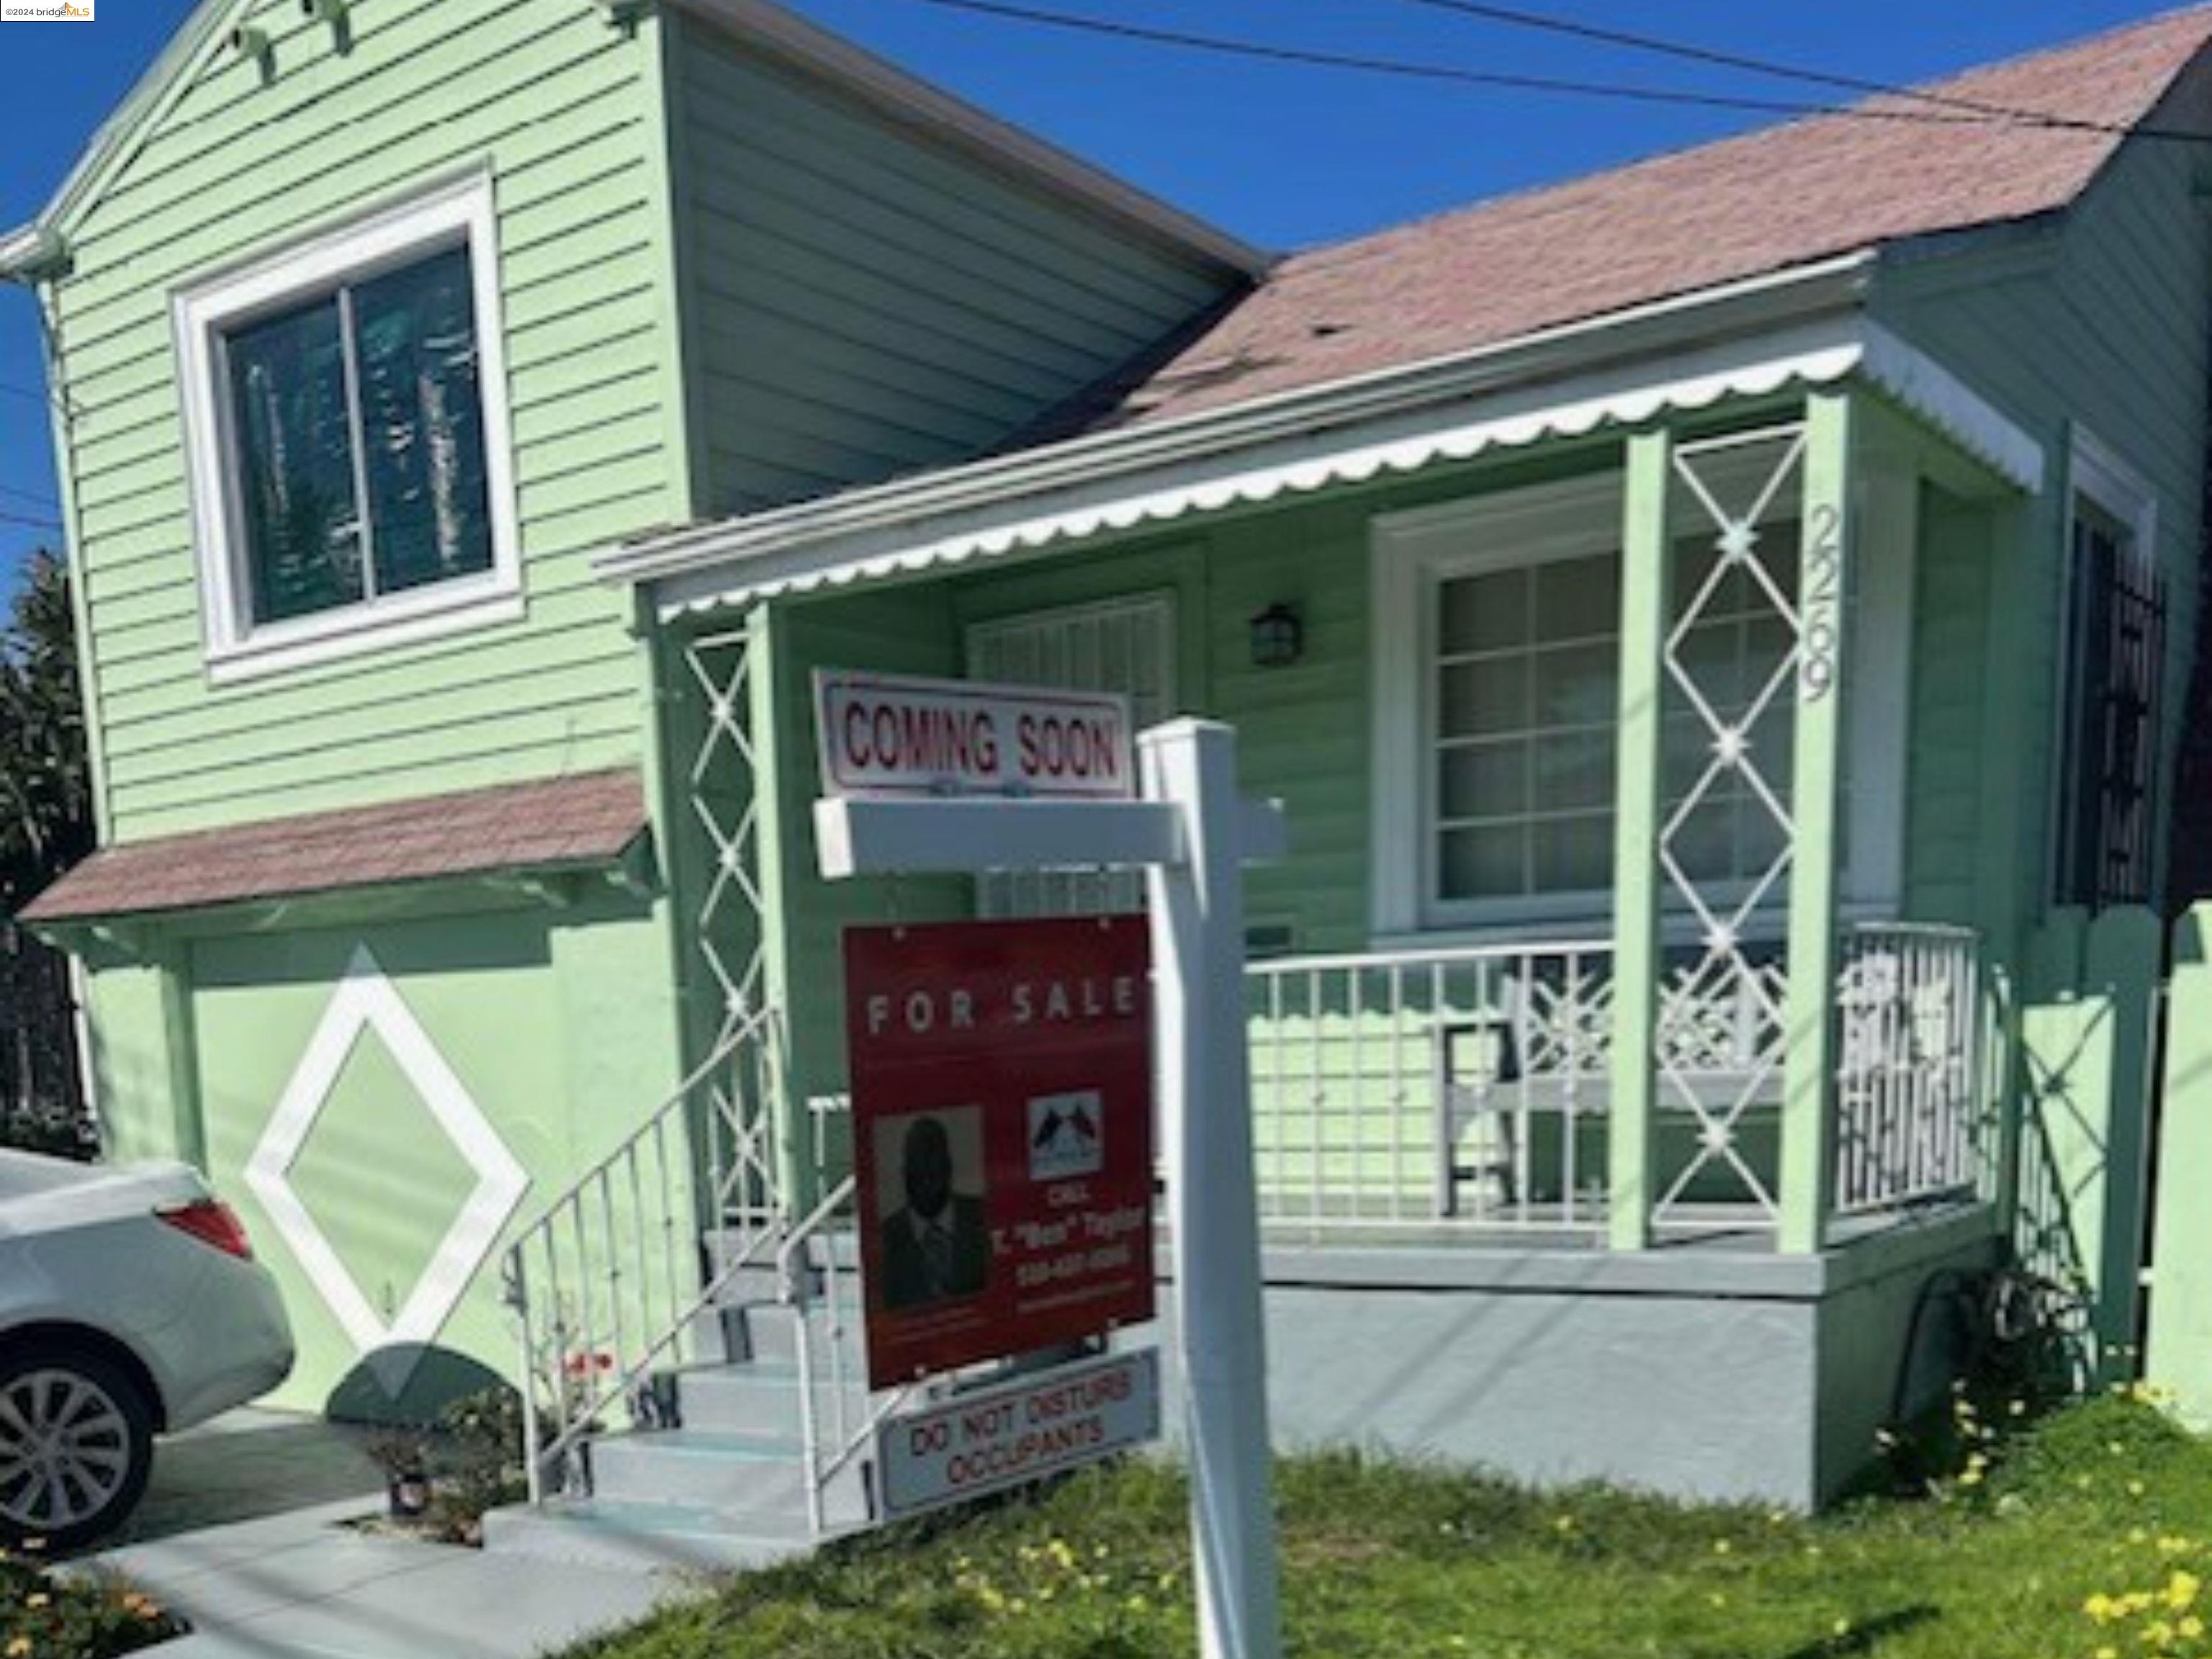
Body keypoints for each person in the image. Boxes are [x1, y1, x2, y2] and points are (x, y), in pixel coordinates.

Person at [878, 1114, 989, 1310]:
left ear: (948, 1167)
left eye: (932, 1159)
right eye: (917, 1161)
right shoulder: (885, 1237)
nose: (925, 1172)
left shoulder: (983, 1216)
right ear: (904, 1172)